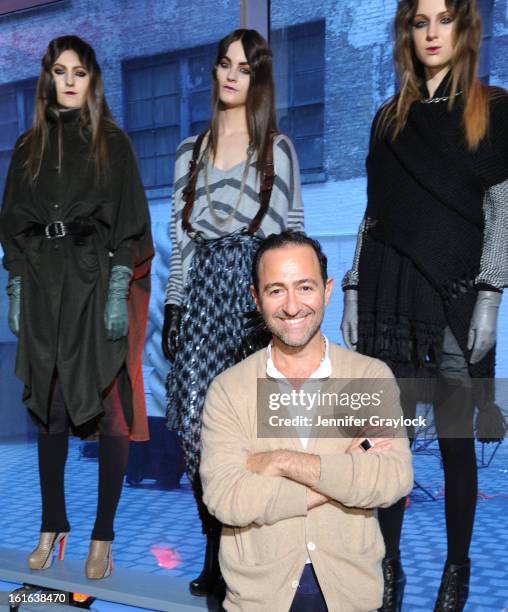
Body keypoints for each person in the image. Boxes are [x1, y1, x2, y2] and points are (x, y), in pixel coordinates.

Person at [341, 1, 508, 610]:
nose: (432, 32)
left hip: (456, 296)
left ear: (464, 30)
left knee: (456, 440)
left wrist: (491, 293)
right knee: (389, 442)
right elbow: (371, 214)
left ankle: (457, 571)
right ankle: (390, 572)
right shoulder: (388, 118)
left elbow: (502, 210)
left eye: (444, 20)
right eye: (420, 21)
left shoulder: (493, 108)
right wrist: (355, 289)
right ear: (406, 32)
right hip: (390, 292)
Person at [0, 36, 153, 579]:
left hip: (95, 282)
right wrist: (17, 285)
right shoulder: (26, 148)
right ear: (47, 78)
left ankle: (103, 535)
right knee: (50, 406)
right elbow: (12, 223)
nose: (68, 81)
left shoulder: (112, 142)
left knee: (110, 408)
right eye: (59, 71)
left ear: (93, 81)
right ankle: (51, 523)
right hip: (45, 283)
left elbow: (133, 222)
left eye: (79, 72)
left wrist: (117, 288)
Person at [200, 231, 414, 612]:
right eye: (276, 290)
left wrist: (280, 461)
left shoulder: (368, 377)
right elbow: (226, 498)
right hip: (258, 597)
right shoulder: (229, 389)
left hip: (350, 592)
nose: (292, 306)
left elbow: (391, 478)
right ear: (256, 298)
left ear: (328, 290)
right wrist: (341, 475)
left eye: (305, 287)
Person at [162, 29, 304, 596]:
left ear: (259, 78)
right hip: (200, 302)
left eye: (244, 68)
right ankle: (215, 550)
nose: (230, 75)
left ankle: (255, 557)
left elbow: (294, 236)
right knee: (198, 436)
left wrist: (290, 312)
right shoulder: (187, 153)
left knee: (250, 438)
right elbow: (182, 243)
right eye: (224, 64)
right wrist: (174, 306)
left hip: (254, 301)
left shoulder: (279, 149)